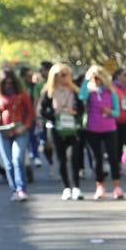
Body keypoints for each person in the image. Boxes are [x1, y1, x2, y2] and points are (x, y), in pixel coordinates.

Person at [38, 63, 85, 200]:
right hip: (56, 129)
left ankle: (76, 187)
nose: (61, 78)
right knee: (61, 159)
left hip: (73, 129)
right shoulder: (48, 92)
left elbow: (81, 109)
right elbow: (41, 111)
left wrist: (74, 112)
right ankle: (66, 188)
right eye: (58, 75)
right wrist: (54, 114)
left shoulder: (75, 91)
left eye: (64, 75)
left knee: (74, 157)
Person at [0, 68, 34, 200]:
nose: (8, 86)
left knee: (17, 159)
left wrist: (25, 126)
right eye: (5, 83)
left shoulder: (22, 94)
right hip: (1, 131)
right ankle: (15, 189)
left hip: (19, 130)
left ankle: (21, 189)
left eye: (11, 83)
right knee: (7, 163)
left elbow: (30, 112)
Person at [80, 65, 124, 199]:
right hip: (93, 129)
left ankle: (117, 187)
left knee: (113, 158)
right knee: (97, 159)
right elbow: (81, 95)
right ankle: (100, 187)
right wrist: (87, 79)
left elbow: (117, 113)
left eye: (98, 77)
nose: (96, 80)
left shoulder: (111, 92)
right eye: (94, 78)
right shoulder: (89, 92)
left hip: (109, 129)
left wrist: (109, 111)